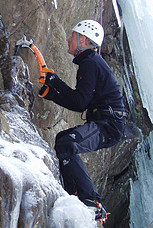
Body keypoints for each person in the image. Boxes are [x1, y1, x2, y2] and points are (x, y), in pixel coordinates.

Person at [38, 20, 127, 223]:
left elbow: (79, 102)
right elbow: (81, 100)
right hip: (108, 121)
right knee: (63, 139)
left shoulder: (90, 63)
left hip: (109, 124)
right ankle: (74, 195)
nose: (69, 39)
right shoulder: (90, 62)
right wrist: (53, 90)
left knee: (67, 143)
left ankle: (93, 203)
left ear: (83, 39)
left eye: (73, 35)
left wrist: (55, 85)